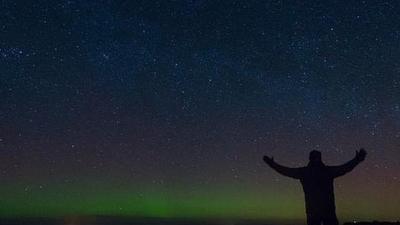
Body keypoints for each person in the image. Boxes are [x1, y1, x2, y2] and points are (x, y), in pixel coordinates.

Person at [263, 149, 367, 225]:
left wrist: (272, 164)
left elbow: (285, 171)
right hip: (325, 210)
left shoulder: (305, 172)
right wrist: (357, 160)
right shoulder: (326, 171)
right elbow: (344, 168)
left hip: (317, 211)